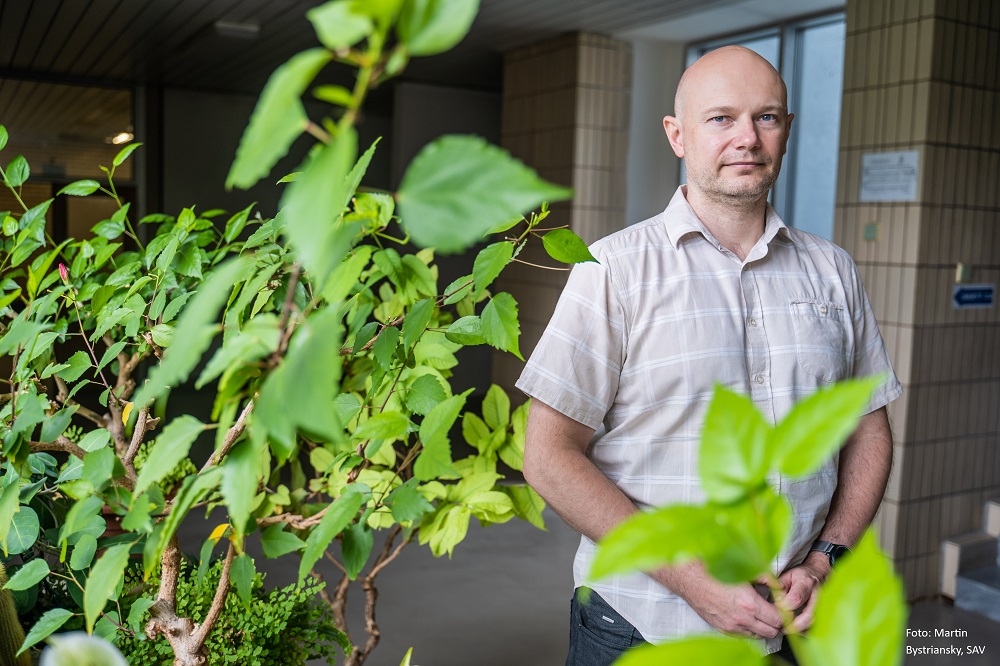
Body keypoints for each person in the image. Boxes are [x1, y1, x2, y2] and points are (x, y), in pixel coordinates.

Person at [517, 45, 902, 665]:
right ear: (677, 135)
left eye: (766, 117)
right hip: (637, 624)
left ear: (786, 131)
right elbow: (548, 456)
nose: (747, 138)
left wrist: (828, 557)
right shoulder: (613, 269)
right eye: (720, 118)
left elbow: (868, 429)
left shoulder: (832, 271)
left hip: (792, 628)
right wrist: (693, 582)